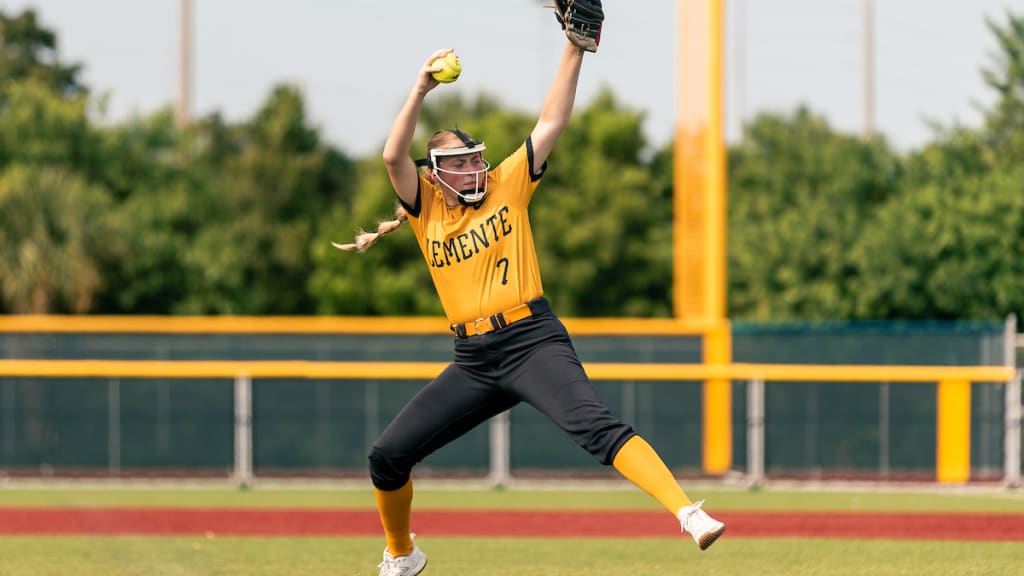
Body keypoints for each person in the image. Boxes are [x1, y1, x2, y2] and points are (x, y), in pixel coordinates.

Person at [336, 38, 725, 576]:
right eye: (459, 164)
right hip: (473, 360)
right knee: (387, 455)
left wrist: (575, 49)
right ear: (434, 174)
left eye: (475, 159)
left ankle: (687, 512)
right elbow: (391, 155)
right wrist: (420, 89)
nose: (474, 169)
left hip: (531, 342)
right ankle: (402, 554)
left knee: (595, 428)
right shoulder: (426, 209)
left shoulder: (506, 184)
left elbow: (552, 121)